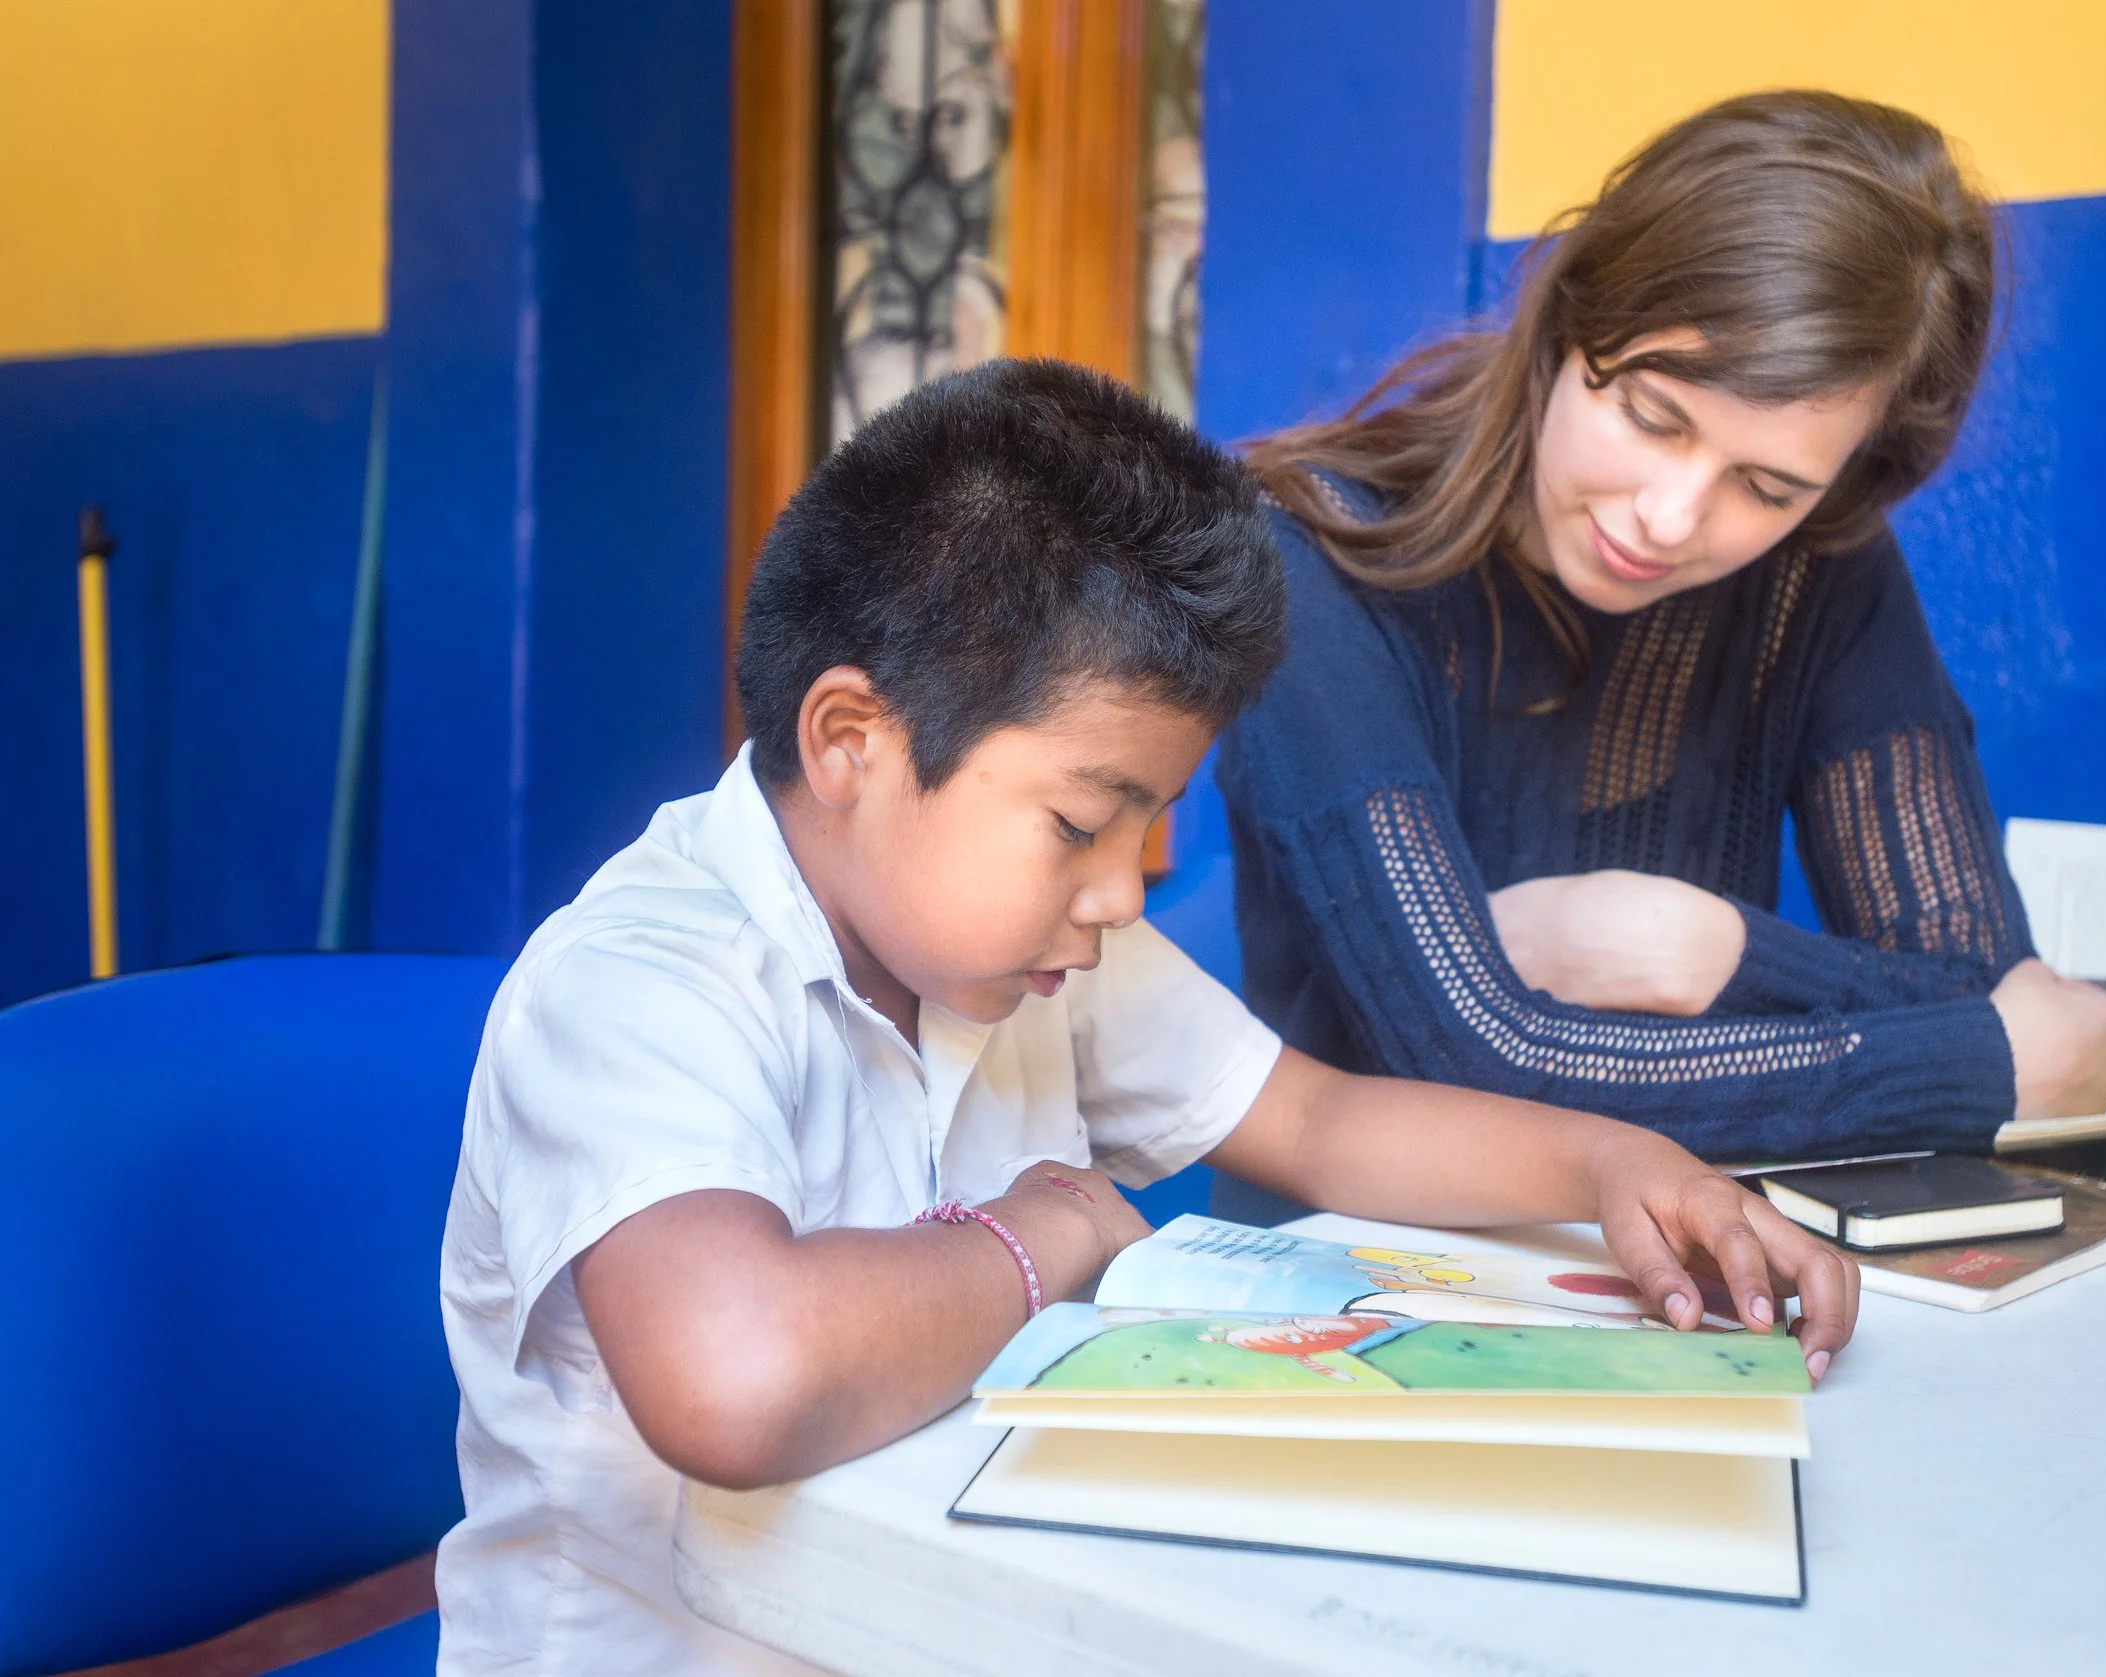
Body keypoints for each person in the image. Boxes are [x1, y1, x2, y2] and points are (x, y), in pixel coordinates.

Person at [433, 360, 1857, 1676]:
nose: (1120, 895)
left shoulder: (1028, 954)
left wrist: (1619, 1166)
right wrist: (1048, 1236)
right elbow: (737, 1382)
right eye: (1079, 823)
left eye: (1153, 829)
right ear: (853, 741)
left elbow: (1314, 1116)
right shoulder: (643, 983)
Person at [1214, 91, 2106, 1225]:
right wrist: (1974, 1072)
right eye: (1653, 417)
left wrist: (1696, 949)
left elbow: (1973, 978)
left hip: (1686, 1284)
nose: (1668, 516)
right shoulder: (1307, 560)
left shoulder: (1816, 572)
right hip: (1334, 1293)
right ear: (1571, 320)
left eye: (1767, 487)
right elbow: (1467, 1068)